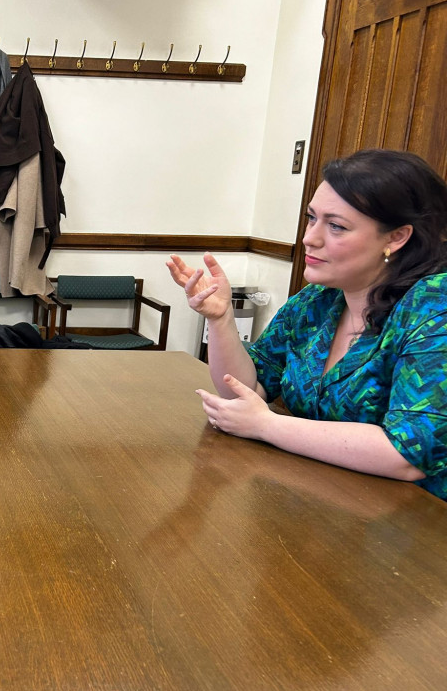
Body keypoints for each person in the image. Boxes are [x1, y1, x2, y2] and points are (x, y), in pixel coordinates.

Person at [167, 149, 447, 497]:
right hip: (315, 499)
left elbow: (407, 454)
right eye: (311, 218)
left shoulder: (435, 306)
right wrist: (221, 319)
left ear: (396, 237)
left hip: (412, 527)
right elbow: (244, 392)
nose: (309, 238)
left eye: (336, 226)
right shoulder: (317, 300)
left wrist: (267, 425)